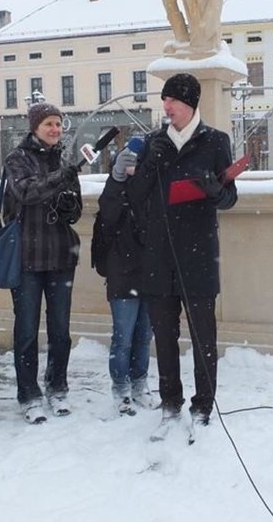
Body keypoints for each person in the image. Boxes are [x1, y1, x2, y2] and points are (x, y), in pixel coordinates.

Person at [126, 73, 238, 434]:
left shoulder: (215, 141)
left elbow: (230, 198)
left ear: (190, 103)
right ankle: (170, 403)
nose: (166, 107)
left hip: (199, 253)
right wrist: (150, 165)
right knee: (164, 333)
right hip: (158, 254)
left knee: (204, 335)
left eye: (172, 100)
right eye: (165, 100)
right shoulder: (153, 142)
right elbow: (135, 195)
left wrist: (213, 190)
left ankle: (203, 405)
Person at [4, 102, 83, 424]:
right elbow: (26, 192)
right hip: (27, 257)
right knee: (26, 332)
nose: (55, 129)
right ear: (35, 127)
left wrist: (68, 205)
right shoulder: (17, 159)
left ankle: (57, 386)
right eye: (49, 124)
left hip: (61, 256)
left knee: (60, 330)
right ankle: (29, 394)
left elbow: (76, 210)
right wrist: (60, 178)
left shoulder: (62, 160)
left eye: (59, 124)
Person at [93, 143, 157, 416]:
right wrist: (118, 179)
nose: (133, 167)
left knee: (144, 336)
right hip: (123, 271)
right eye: (127, 162)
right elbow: (107, 217)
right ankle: (121, 388)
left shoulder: (152, 189)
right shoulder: (114, 190)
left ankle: (140, 384)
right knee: (123, 337)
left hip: (151, 272)